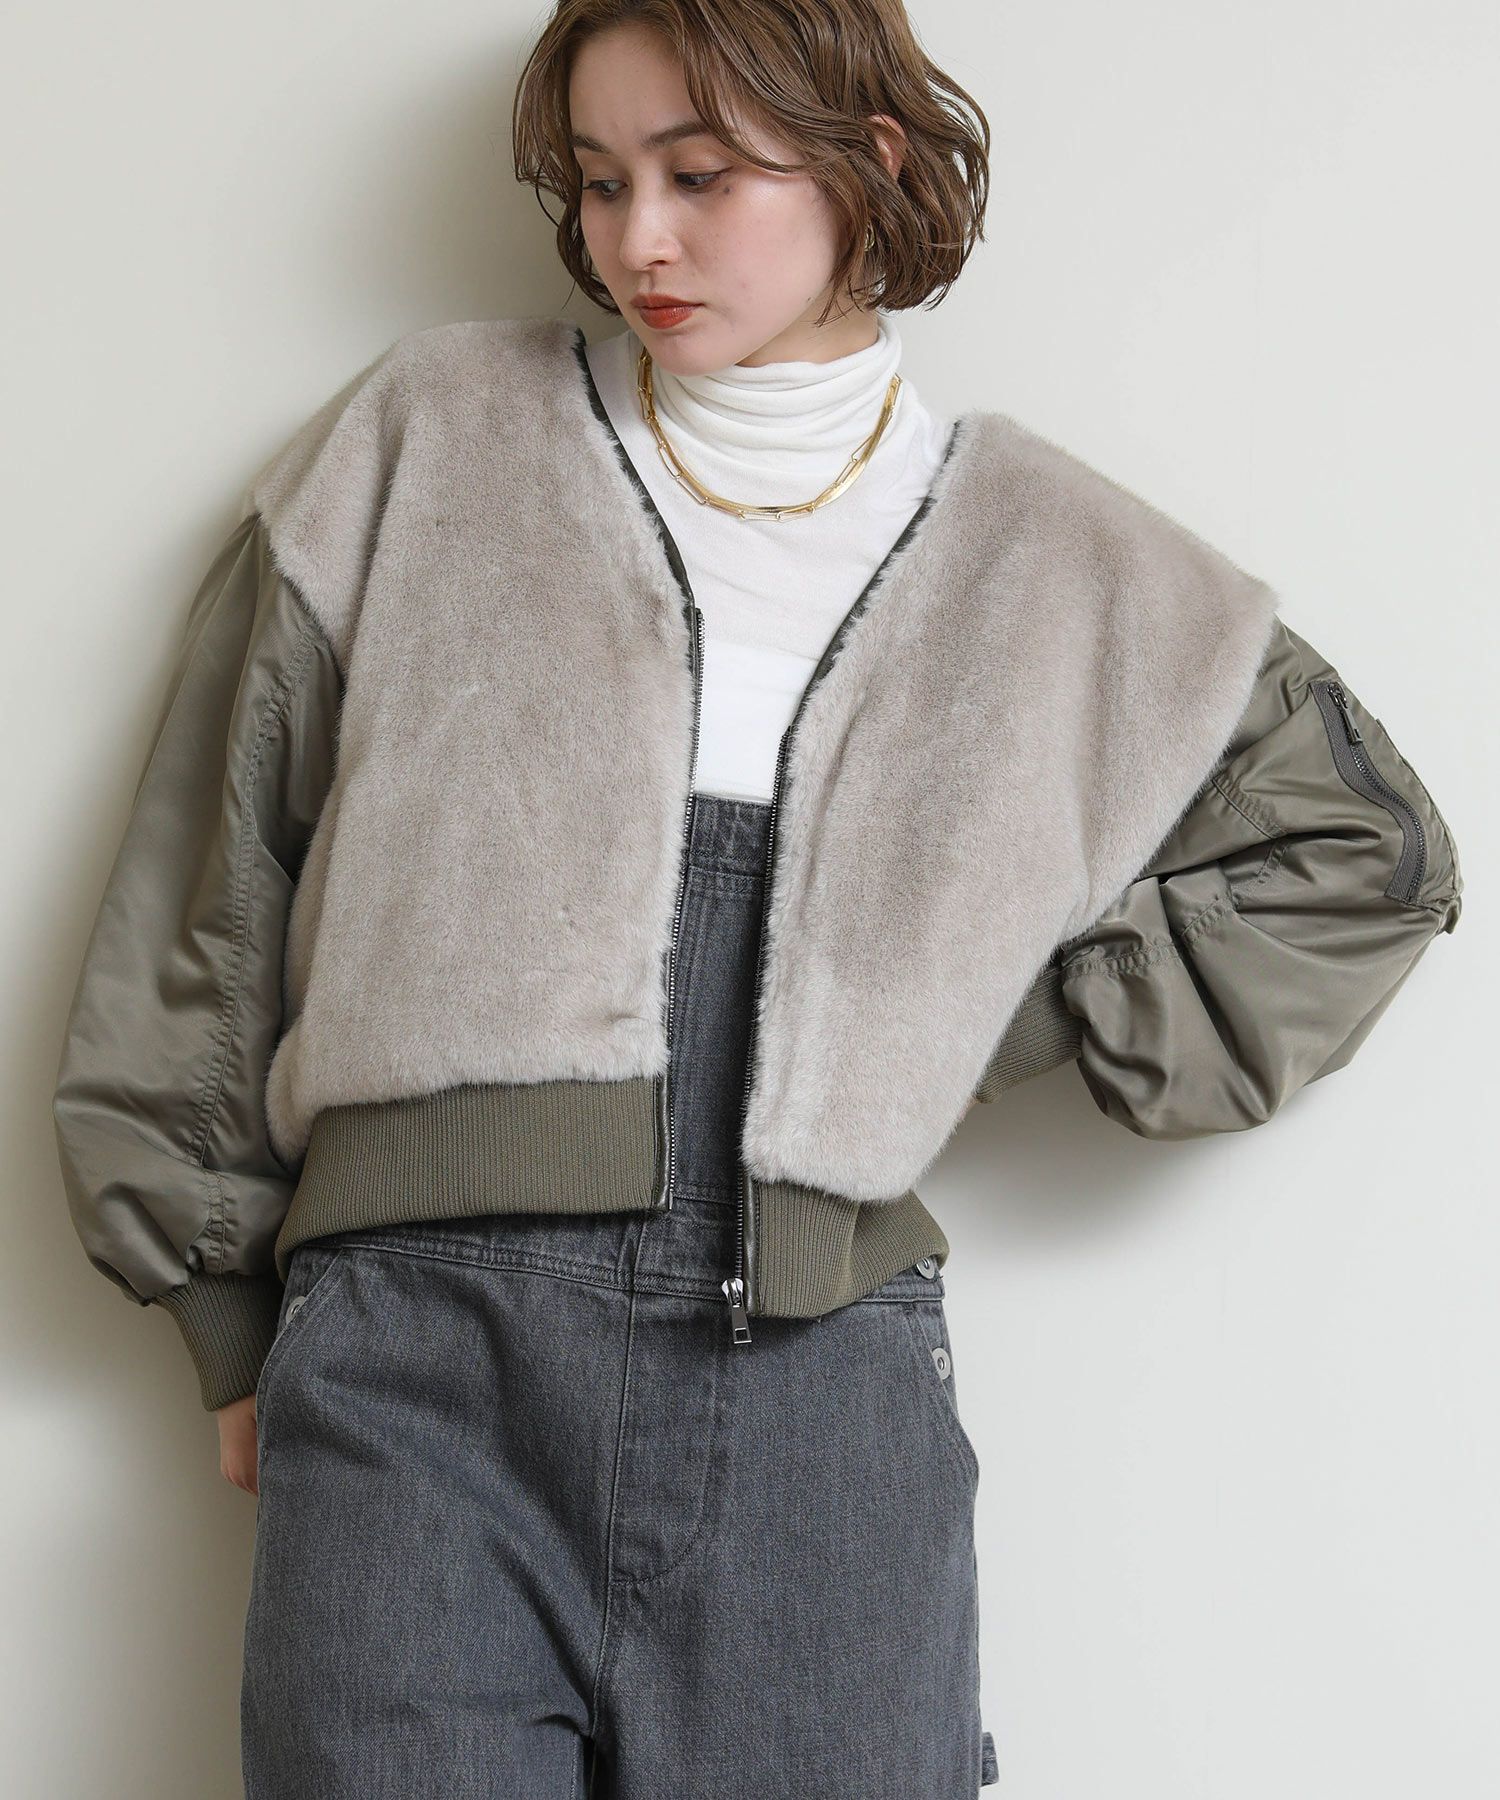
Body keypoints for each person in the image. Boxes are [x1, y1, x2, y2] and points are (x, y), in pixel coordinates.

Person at [50, 2, 1464, 1795]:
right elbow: (212, 876)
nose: (636, 238)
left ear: (872, 160)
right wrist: (220, 1309)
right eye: (598, 181)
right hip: (410, 1382)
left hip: (820, 1401)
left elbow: (1366, 857)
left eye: (701, 175)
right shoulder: (429, 437)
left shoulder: (1070, 568)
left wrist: (955, 1013)